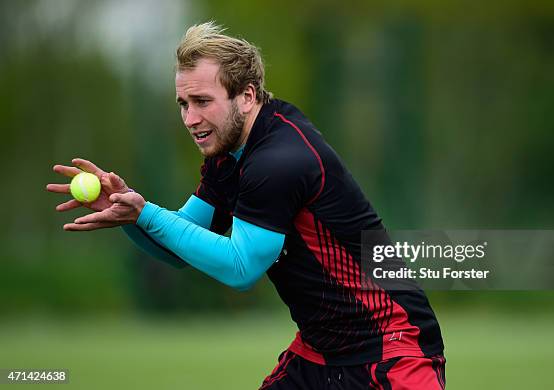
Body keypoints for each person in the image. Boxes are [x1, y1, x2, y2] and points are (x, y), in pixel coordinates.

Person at [47, 22, 445, 389]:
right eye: (183, 103)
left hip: (393, 351)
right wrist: (128, 212)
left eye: (202, 100)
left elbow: (240, 268)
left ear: (247, 96)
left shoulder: (278, 160)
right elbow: (182, 244)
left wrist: (146, 213)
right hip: (320, 353)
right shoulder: (230, 154)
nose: (190, 117)